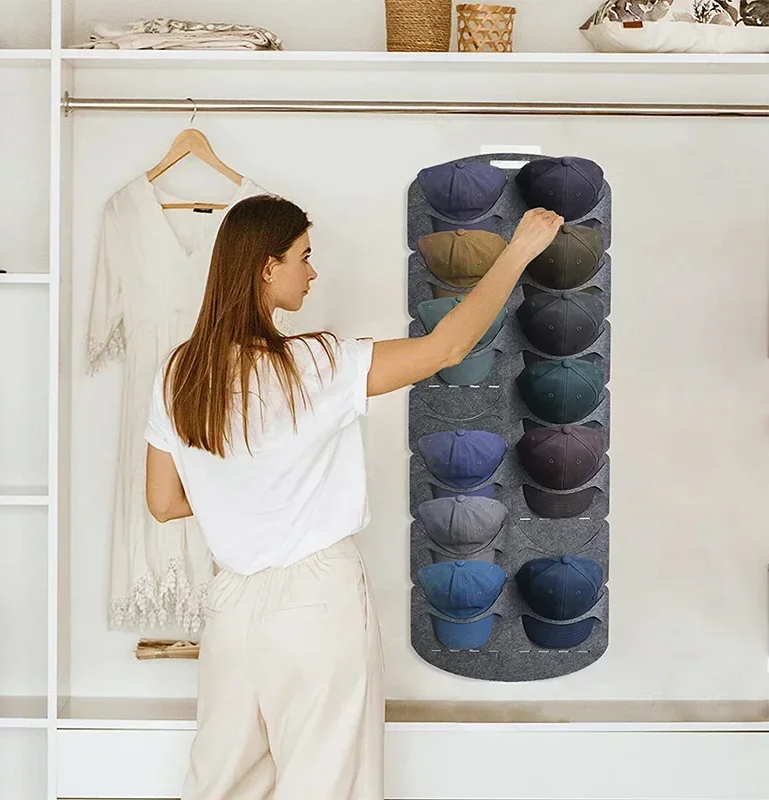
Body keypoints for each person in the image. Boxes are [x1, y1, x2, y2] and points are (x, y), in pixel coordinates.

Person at [144, 194, 562, 800]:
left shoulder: (177, 373)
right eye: (304, 257)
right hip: (316, 603)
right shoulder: (314, 363)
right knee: (325, 782)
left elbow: (163, 502)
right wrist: (519, 250)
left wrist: (241, 493)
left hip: (230, 610)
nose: (312, 273)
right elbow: (446, 348)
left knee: (223, 784)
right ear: (267, 267)